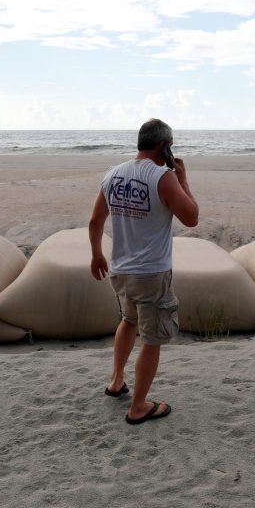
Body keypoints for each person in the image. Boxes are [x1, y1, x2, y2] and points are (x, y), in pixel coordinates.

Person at [88, 118, 199, 425]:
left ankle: (116, 381)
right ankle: (138, 406)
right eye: (171, 144)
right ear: (164, 146)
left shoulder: (113, 174)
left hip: (120, 270)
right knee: (151, 338)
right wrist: (183, 179)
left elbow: (95, 221)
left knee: (128, 320)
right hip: (151, 273)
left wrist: (97, 254)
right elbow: (191, 218)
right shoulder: (163, 177)